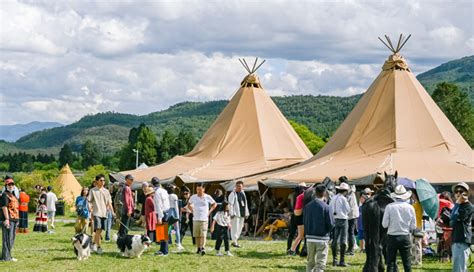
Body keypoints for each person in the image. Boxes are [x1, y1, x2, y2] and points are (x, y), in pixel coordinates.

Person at [382, 185, 416, 272]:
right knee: (407, 263)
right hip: (405, 236)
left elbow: (384, 225)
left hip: (392, 237)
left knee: (390, 263)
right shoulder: (410, 207)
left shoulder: (389, 207)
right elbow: (413, 226)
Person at [304, 185, 334, 272]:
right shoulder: (326, 207)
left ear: (314, 193)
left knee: (310, 263)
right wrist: (327, 232)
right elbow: (331, 224)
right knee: (320, 264)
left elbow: (304, 221)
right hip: (322, 238)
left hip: (309, 237)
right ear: (324, 194)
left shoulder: (307, 206)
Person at [187, 182, 217, 256]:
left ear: (203, 189)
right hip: (196, 218)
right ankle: (198, 248)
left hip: (204, 218)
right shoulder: (193, 197)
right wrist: (192, 211)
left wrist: (209, 212)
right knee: (197, 235)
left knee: (203, 234)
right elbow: (189, 204)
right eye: (197, 189)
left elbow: (214, 204)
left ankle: (203, 248)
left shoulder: (207, 197)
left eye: (200, 190)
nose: (198, 191)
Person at [88, 174, 114, 254]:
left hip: (104, 213)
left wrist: (113, 212)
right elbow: (89, 201)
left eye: (104, 180)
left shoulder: (106, 191)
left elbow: (109, 203)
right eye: (101, 180)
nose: (103, 182)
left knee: (100, 231)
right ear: (96, 181)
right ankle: (98, 247)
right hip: (96, 213)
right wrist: (90, 210)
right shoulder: (92, 190)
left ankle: (93, 244)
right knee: (98, 229)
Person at [450, 182, 473, 272]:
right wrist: (457, 204)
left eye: (461, 191)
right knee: (459, 267)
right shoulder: (458, 206)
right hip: (456, 238)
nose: (458, 194)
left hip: (462, 240)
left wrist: (457, 203)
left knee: (459, 268)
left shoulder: (468, 207)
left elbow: (454, 217)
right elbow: (451, 220)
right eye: (456, 192)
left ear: (466, 193)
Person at [328, 182, 351, 267]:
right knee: (343, 241)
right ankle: (342, 260)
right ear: (345, 191)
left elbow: (330, 208)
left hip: (335, 220)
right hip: (343, 219)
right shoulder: (343, 199)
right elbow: (348, 210)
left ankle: (335, 260)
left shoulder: (333, 198)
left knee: (335, 240)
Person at [1, 176, 20, 262]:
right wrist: (7, 219)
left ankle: (8, 256)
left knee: (11, 239)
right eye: (9, 184)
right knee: (7, 239)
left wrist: (17, 220)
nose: (11, 186)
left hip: (14, 219)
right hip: (9, 219)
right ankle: (6, 257)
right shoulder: (5, 195)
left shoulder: (13, 194)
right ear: (6, 185)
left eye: (12, 184)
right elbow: (4, 207)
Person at [228, 180, 249, 248]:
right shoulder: (233, 194)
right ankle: (234, 242)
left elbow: (245, 204)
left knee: (240, 228)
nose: (238, 187)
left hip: (242, 214)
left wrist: (246, 213)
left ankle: (236, 240)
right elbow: (230, 204)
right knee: (235, 228)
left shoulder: (243, 193)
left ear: (242, 187)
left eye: (240, 186)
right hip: (235, 214)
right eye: (237, 186)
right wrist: (231, 213)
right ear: (235, 186)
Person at [153, 178, 170, 256]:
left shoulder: (157, 192)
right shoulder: (164, 191)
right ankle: (162, 249)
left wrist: (159, 218)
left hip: (161, 213)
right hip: (166, 212)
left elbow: (159, 205)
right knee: (163, 232)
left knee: (162, 232)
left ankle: (164, 251)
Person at [288, 185, 307, 256]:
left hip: (295, 216)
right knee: (300, 236)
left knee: (296, 235)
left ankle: (291, 249)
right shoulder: (301, 197)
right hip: (299, 217)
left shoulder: (294, 196)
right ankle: (293, 250)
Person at [167, 184, 184, 251]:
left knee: (167, 228)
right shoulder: (174, 196)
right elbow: (176, 206)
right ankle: (178, 243)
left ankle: (167, 241)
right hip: (173, 211)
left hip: (168, 212)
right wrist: (177, 216)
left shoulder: (166, 195)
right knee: (177, 228)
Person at [357, 188, 373, 253]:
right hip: (360, 225)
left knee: (367, 238)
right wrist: (357, 225)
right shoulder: (360, 208)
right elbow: (358, 217)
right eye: (360, 198)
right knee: (361, 238)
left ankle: (367, 248)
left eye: (362, 198)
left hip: (366, 225)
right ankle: (361, 248)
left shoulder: (369, 206)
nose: (361, 199)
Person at [346, 184, 359, 255]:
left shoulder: (350, 194)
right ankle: (351, 248)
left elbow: (348, 206)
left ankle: (351, 249)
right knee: (351, 232)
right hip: (353, 215)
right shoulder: (351, 193)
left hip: (351, 216)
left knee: (350, 232)